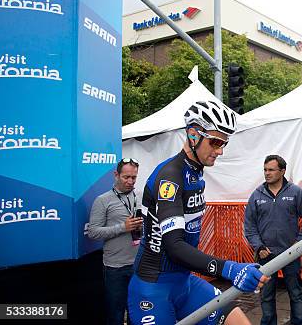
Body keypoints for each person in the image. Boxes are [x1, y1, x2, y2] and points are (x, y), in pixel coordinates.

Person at [127, 100, 268, 325]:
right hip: (153, 288)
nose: (220, 150)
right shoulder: (170, 176)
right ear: (193, 135)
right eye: (214, 142)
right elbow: (174, 246)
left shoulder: (196, 174)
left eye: (224, 143)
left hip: (185, 283)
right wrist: (229, 269)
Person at [244, 155, 302, 325]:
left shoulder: (296, 192)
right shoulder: (256, 195)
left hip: (290, 254)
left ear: (282, 171)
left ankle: (299, 322)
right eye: (265, 170)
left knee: (295, 293)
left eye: (271, 170)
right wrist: (259, 247)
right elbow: (249, 226)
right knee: (266, 295)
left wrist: (298, 244)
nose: (267, 173)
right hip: (266, 255)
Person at [88, 158, 143, 325]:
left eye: (134, 177)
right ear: (116, 175)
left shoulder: (139, 196)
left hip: (138, 265)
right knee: (115, 314)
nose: (130, 181)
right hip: (115, 268)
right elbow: (93, 232)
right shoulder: (103, 200)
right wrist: (122, 227)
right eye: (126, 177)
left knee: (137, 312)